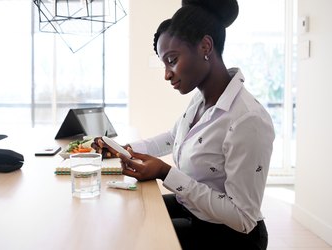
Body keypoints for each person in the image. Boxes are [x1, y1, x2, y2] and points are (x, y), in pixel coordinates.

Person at [93, 0, 275, 249]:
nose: (167, 74)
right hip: (193, 210)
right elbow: (172, 137)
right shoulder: (201, 99)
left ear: (205, 46)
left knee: (139, 239)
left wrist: (166, 173)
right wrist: (121, 148)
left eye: (172, 60)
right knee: (129, 215)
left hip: (230, 237)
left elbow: (243, 218)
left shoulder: (247, 120)